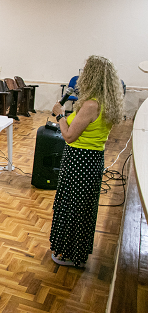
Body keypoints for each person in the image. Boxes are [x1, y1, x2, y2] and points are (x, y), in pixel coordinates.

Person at [49, 55, 124, 267]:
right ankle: (76, 252)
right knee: (82, 207)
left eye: (85, 71)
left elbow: (70, 136)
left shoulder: (91, 105)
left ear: (91, 76)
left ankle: (70, 254)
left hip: (80, 160)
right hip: (91, 159)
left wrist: (59, 115)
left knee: (73, 207)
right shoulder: (106, 102)